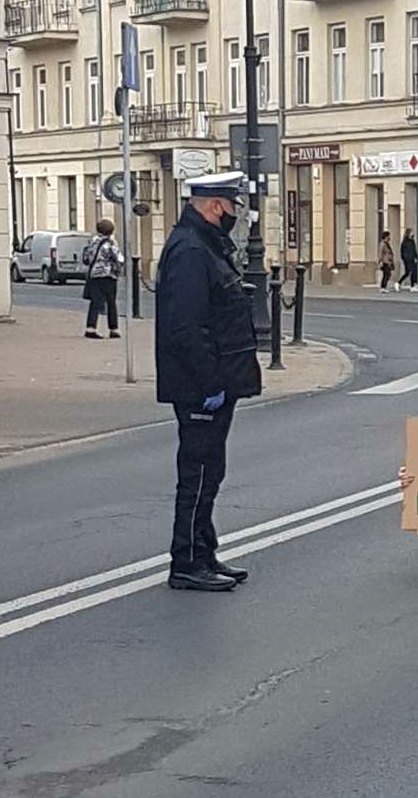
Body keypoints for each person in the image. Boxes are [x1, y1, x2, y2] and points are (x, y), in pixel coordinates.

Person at [155, 171, 262, 592]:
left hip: (217, 381)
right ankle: (186, 560)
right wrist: (209, 382)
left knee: (210, 471)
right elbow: (187, 326)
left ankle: (205, 551)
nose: (237, 213)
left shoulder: (206, 245)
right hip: (200, 385)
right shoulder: (190, 250)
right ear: (215, 205)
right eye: (234, 205)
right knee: (197, 473)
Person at [82, 218, 125, 339]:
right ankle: (113, 329)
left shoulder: (93, 241)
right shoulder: (110, 243)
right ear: (110, 231)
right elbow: (119, 258)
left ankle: (90, 328)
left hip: (95, 275)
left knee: (95, 302)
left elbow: (86, 258)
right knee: (111, 302)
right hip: (108, 275)